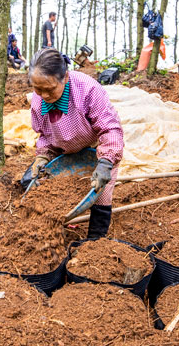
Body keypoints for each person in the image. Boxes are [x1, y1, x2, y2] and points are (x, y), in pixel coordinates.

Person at [28, 48, 124, 239]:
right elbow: (45, 136)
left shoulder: (87, 90)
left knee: (100, 193)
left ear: (65, 77)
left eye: (49, 89)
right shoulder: (38, 102)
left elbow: (110, 129)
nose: (44, 95)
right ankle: (50, 234)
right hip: (65, 151)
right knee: (41, 187)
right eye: (37, 89)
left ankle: (95, 242)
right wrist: (42, 156)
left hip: (98, 149)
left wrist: (105, 162)